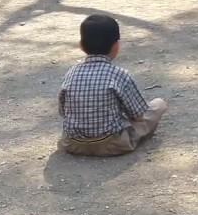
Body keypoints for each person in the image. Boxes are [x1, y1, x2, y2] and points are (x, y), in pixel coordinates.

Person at [58, 14, 169, 156]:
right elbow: (137, 116)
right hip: (113, 144)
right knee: (158, 105)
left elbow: (63, 112)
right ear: (116, 46)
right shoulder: (118, 74)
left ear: (81, 45)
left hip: (72, 144)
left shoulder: (71, 73)